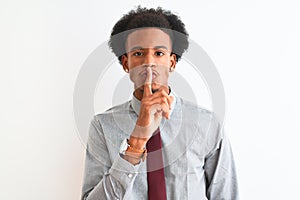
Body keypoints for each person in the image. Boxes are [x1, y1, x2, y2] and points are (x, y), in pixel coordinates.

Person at [81, 6, 239, 200]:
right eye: (138, 53)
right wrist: (137, 141)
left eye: (159, 53)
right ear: (126, 63)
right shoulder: (103, 126)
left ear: (172, 62)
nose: (149, 62)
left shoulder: (207, 124)